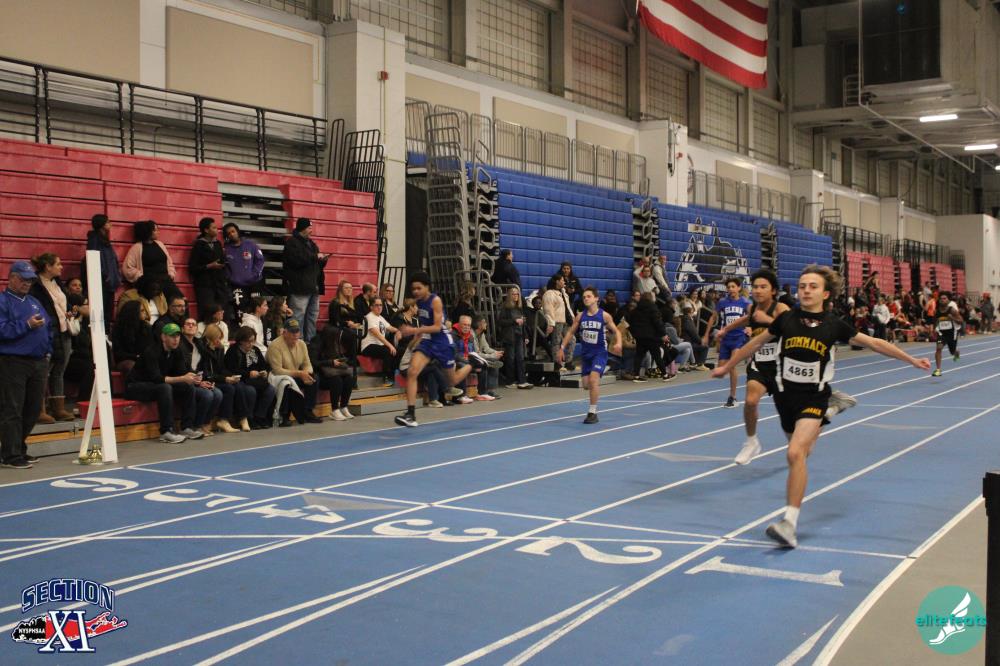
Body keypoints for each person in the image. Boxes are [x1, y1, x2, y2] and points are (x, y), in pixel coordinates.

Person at [712, 265, 930, 548]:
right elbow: (754, 344)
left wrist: (911, 360)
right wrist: (727, 366)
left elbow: (875, 343)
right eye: (802, 286)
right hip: (784, 396)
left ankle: (789, 524)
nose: (806, 290)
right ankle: (832, 409)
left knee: (794, 453)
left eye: (813, 286)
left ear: (826, 294)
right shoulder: (786, 319)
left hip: (813, 397)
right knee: (804, 452)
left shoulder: (834, 325)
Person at [713, 269, 792, 464]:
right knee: (750, 401)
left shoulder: (780, 308)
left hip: (782, 368)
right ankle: (751, 442)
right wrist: (725, 329)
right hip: (760, 365)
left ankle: (795, 444)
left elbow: (793, 331)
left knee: (788, 417)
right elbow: (745, 319)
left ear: (773, 290)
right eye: (755, 286)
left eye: (763, 287)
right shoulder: (753, 308)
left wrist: (769, 321)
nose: (758, 290)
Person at [394, 272, 472, 427]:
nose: (415, 291)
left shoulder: (435, 301)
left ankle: (473, 363)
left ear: (427, 287)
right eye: (413, 289)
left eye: (419, 288)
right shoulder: (418, 302)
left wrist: (413, 330)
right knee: (412, 372)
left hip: (443, 343)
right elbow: (424, 324)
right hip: (428, 342)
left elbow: (437, 327)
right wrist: (415, 339)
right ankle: (410, 414)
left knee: (452, 381)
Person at [0, 261, 51, 468]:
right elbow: (2, 330)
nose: (27, 283)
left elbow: (48, 327)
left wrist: (48, 349)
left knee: (32, 409)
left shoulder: (34, 301)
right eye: (23, 279)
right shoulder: (3, 301)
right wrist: (26, 325)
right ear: (12, 277)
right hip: (13, 362)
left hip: (38, 362)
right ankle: (10, 455)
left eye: (30, 280)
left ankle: (18, 448)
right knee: (13, 409)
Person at [124, 322, 209, 444]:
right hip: (135, 386)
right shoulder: (151, 351)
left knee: (188, 387)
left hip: (156, 385)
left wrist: (194, 378)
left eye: (178, 336)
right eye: (172, 336)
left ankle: (186, 427)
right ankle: (166, 431)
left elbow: (182, 372)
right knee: (165, 388)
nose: (176, 339)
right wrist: (182, 378)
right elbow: (156, 378)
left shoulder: (177, 351)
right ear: (163, 337)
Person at [557, 286, 623, 424]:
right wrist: (562, 348)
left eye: (589, 296)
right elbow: (570, 332)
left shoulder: (604, 316)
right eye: (584, 297)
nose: (586, 299)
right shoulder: (580, 316)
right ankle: (604, 368)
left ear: (596, 298)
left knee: (593, 380)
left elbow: (617, 331)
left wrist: (618, 343)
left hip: (599, 353)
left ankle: (592, 412)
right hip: (586, 355)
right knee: (586, 385)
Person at [27, 253, 74, 423]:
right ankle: (39, 410)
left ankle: (58, 408)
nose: (61, 267)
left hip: (64, 331)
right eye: (58, 264)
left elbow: (64, 304)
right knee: (43, 371)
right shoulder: (35, 286)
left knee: (59, 370)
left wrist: (71, 311)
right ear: (48, 266)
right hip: (45, 332)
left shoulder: (57, 283)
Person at [266, 318, 322, 426]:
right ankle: (284, 415)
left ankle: (308, 411)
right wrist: (300, 374)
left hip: (294, 374)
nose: (295, 335)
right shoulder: (275, 346)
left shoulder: (302, 344)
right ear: (284, 332)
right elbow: (277, 370)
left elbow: (307, 364)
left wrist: (306, 373)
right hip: (278, 377)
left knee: (314, 378)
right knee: (286, 383)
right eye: (292, 332)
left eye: (297, 331)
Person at [707, 278, 752, 408]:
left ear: (739, 288)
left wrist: (750, 327)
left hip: (739, 337)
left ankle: (732, 397)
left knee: (732, 366)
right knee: (721, 371)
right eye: (728, 287)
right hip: (726, 338)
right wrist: (706, 334)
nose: (731, 289)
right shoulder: (722, 302)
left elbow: (754, 316)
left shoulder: (745, 302)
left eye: (733, 286)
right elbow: (713, 317)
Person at [282, 218, 328, 342]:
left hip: (313, 286)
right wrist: (315, 257)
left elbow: (315, 262)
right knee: (297, 316)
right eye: (309, 228)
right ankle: (297, 342)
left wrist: (322, 260)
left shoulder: (311, 244)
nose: (311, 230)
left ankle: (310, 342)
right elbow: (297, 261)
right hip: (299, 287)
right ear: (302, 228)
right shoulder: (292, 243)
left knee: (312, 317)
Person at [224, 326, 276, 430]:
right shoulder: (233, 351)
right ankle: (249, 417)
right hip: (241, 380)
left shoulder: (255, 350)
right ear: (241, 341)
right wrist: (248, 374)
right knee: (250, 391)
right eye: (248, 341)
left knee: (271, 389)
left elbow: (263, 365)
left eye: (253, 341)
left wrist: (264, 372)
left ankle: (260, 416)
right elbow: (231, 370)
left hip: (256, 380)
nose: (251, 344)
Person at [197, 324, 244, 433]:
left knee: (235, 386)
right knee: (224, 390)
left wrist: (230, 376)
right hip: (205, 379)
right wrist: (224, 379)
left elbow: (221, 368)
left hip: (215, 378)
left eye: (220, 338)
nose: (219, 341)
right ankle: (205, 422)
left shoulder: (219, 349)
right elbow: (206, 373)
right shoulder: (201, 349)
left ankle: (225, 420)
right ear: (210, 338)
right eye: (217, 338)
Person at [122, 220, 181, 301]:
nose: (158, 232)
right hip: (150, 284)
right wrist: (141, 277)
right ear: (148, 232)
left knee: (179, 300)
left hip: (166, 280)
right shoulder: (137, 247)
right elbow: (127, 268)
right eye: (155, 230)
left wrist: (171, 273)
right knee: (160, 304)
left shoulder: (160, 244)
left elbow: (169, 262)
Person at [189, 217, 231, 322]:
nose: (217, 230)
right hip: (205, 285)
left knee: (223, 312)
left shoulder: (218, 244)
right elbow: (192, 267)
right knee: (207, 314)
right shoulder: (199, 245)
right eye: (214, 228)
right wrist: (209, 266)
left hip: (219, 283)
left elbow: (222, 260)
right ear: (206, 230)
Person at [310, 325, 355, 421]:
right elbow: (314, 362)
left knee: (349, 379)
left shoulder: (333, 343)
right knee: (336, 380)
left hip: (332, 371)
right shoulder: (316, 343)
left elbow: (336, 357)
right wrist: (330, 362)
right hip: (320, 375)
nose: (336, 339)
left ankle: (343, 406)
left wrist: (341, 361)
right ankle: (334, 410)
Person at [85, 214, 122, 329]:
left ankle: (106, 332)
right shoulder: (94, 240)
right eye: (108, 222)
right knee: (103, 312)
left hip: (109, 282)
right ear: (101, 224)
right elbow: (94, 260)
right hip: (102, 282)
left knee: (108, 312)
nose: (110, 224)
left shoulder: (104, 240)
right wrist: (105, 275)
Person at [223, 222, 264, 314]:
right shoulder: (226, 249)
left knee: (256, 309)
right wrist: (231, 278)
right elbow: (225, 266)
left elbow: (260, 260)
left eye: (233, 231)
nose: (231, 234)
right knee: (240, 309)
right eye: (228, 233)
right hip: (237, 285)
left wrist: (254, 275)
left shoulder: (250, 244)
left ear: (237, 231)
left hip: (254, 283)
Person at [626, 292, 669, 381]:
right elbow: (658, 323)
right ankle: (665, 375)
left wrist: (635, 334)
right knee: (657, 356)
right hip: (651, 337)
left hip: (640, 337)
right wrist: (663, 334)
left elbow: (631, 323)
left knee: (639, 356)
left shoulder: (636, 310)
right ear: (651, 298)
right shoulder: (653, 308)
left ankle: (636, 376)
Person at [497, 286, 533, 390]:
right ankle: (510, 381)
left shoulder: (519, 308)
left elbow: (523, 324)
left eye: (517, 294)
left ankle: (522, 381)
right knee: (511, 359)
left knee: (520, 358)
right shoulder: (505, 308)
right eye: (513, 294)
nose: (516, 296)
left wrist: (526, 336)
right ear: (509, 295)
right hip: (510, 336)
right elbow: (500, 322)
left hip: (519, 335)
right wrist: (514, 321)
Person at [360, 297, 400, 386]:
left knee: (397, 351)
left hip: (379, 345)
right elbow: (378, 335)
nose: (379, 307)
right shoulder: (369, 317)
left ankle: (393, 376)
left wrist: (398, 331)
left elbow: (390, 327)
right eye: (376, 305)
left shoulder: (380, 317)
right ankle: (385, 378)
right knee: (388, 350)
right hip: (368, 346)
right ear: (371, 307)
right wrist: (390, 345)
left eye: (381, 305)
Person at [542, 275, 574, 370]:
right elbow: (548, 309)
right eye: (562, 280)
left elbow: (568, 307)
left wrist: (573, 318)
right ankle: (557, 363)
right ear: (557, 281)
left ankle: (568, 361)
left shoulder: (563, 293)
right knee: (556, 342)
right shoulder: (549, 294)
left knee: (572, 340)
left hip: (566, 321)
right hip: (557, 321)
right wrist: (551, 323)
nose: (564, 282)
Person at [112, 300, 152, 374]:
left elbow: (149, 347)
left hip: (142, 359)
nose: (145, 313)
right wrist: (135, 356)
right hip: (125, 360)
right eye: (142, 310)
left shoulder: (146, 327)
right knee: (132, 365)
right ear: (134, 313)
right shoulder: (119, 329)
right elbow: (118, 353)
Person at [472, 316, 504, 400]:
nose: (486, 324)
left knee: (494, 362)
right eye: (484, 322)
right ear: (479, 325)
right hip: (473, 357)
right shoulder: (472, 335)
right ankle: (484, 391)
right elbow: (476, 353)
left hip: (479, 357)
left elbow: (486, 348)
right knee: (490, 362)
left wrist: (496, 352)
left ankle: (490, 390)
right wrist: (492, 356)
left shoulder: (481, 334)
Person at [932, 292, 963, 377]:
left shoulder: (952, 310)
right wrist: (933, 331)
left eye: (944, 298)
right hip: (941, 334)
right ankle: (938, 370)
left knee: (952, 352)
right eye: (941, 299)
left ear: (948, 300)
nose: (942, 300)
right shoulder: (937, 311)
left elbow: (961, 321)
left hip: (952, 334)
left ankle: (956, 352)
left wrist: (952, 318)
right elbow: (935, 321)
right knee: (938, 348)